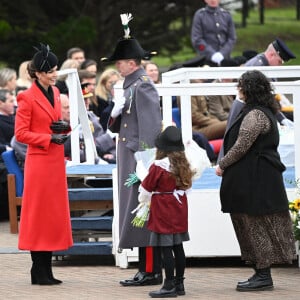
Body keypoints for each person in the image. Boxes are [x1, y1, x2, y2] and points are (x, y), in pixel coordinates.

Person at [215, 70, 296, 292]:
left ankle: (263, 275)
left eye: (240, 85)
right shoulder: (264, 111)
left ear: (248, 89)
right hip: (257, 177)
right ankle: (261, 272)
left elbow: (241, 146)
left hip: (255, 179)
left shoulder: (256, 115)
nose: (238, 90)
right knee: (253, 224)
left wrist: (222, 164)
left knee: (255, 224)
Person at [101, 13, 163, 286]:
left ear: (131, 63)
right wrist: (114, 113)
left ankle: (150, 269)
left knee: (142, 209)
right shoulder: (130, 86)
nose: (117, 66)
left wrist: (146, 161)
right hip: (129, 156)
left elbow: (150, 128)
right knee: (135, 210)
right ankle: (145, 267)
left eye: (120, 62)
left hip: (138, 158)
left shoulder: (142, 86)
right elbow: (119, 125)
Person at [14, 43, 73, 285]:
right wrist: (49, 137)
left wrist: (63, 127)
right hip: (39, 163)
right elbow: (21, 134)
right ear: (38, 73)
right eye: (50, 71)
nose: (55, 74)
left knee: (52, 216)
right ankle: (38, 270)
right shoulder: (25, 97)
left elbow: (58, 122)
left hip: (55, 162)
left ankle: (45, 271)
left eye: (56, 70)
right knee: (39, 217)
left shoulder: (57, 92)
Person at [134, 126, 194, 297]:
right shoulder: (183, 164)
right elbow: (187, 187)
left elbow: (146, 188)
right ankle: (179, 283)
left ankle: (168, 285)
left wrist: (143, 201)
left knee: (166, 248)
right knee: (178, 247)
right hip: (179, 208)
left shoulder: (159, 166)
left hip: (163, 209)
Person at [218, 38, 296, 161]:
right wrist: (281, 119)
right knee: (233, 145)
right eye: (280, 62)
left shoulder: (265, 65)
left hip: (252, 109)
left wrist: (282, 119)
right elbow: (264, 98)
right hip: (245, 109)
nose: (280, 65)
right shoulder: (258, 66)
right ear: (271, 54)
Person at [191, 0, 237, 66]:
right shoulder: (200, 15)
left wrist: (223, 53)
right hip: (206, 59)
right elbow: (197, 39)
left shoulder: (226, 15)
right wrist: (211, 54)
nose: (213, 0)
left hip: (225, 58)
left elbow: (232, 38)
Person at [0, 89, 15, 220]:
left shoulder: (14, 117)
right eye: (10, 101)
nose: (14, 104)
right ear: (1, 103)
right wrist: (6, 147)